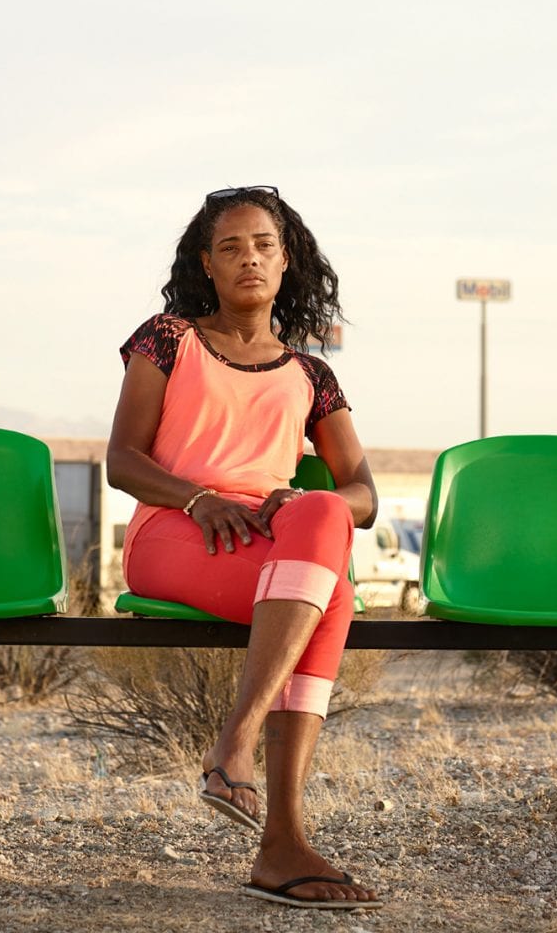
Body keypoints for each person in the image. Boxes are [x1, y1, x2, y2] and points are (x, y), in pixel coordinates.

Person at [106, 185, 383, 911]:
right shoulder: (168, 338)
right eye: (229, 247)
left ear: (285, 260)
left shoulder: (312, 376)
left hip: (266, 549)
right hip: (176, 531)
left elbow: (363, 495)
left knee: (323, 515)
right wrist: (199, 498)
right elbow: (122, 461)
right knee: (334, 596)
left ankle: (254, 790)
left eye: (262, 244)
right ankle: (274, 823)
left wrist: (298, 502)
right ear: (207, 263)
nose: (248, 258)